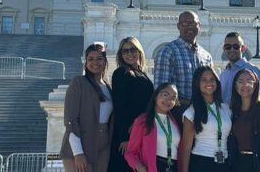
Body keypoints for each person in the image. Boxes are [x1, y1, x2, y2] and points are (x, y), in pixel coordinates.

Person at [60, 43, 113, 172]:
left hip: (103, 147)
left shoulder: (108, 87)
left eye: (99, 58)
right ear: (86, 62)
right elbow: (71, 120)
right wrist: (78, 153)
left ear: (105, 61)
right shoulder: (78, 82)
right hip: (80, 144)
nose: (95, 62)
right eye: (91, 59)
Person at [110, 37, 154, 172]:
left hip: (140, 130)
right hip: (127, 134)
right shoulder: (121, 73)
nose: (129, 54)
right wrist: (124, 137)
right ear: (121, 55)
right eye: (125, 51)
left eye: (133, 50)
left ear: (139, 51)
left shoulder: (142, 73)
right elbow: (119, 106)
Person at [154, 11, 213, 106]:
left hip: (203, 109)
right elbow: (161, 90)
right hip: (178, 109)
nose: (189, 27)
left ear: (199, 26)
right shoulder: (168, 52)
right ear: (178, 26)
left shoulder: (206, 56)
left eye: (193, 23)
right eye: (185, 23)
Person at [180, 66, 232, 172]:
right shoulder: (191, 111)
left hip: (223, 162)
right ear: (197, 84)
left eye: (212, 79)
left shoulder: (226, 108)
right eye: (204, 80)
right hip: (201, 162)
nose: (209, 83)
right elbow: (186, 147)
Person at [125, 83, 183, 172]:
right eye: (165, 95)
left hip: (173, 167)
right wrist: (139, 167)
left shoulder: (175, 121)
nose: (168, 100)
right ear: (156, 95)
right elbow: (130, 152)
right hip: (154, 167)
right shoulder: (142, 121)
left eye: (173, 98)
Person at [227, 69, 260, 172]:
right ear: (235, 85)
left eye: (249, 81)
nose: (245, 85)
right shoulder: (232, 111)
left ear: (256, 85)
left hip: (257, 164)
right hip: (237, 163)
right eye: (240, 82)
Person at [219, 32, 260, 102]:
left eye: (236, 46)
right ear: (224, 49)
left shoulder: (253, 70)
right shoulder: (223, 74)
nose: (232, 49)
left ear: (243, 48)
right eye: (228, 47)